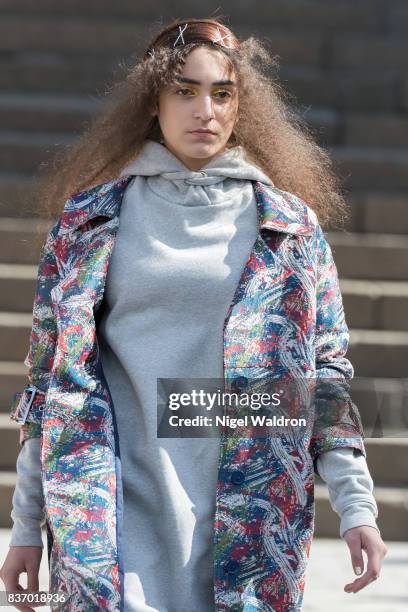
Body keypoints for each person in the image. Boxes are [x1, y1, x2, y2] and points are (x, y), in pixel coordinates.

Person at [0, 16, 387, 612]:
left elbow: (324, 378)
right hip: (112, 505)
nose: (204, 108)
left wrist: (357, 506)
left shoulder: (289, 229)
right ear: (152, 103)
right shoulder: (87, 223)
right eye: (184, 90)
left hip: (248, 515)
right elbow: (51, 381)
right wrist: (26, 526)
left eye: (221, 93)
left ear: (242, 109)